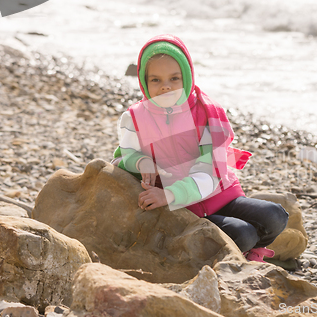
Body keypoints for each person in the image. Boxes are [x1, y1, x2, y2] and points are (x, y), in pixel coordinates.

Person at [112, 34, 288, 262]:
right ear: (144, 82)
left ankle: (251, 251)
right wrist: (141, 161)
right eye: (155, 80)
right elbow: (123, 156)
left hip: (218, 194)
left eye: (174, 78)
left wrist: (170, 193)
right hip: (183, 209)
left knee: (275, 216)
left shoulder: (207, 113)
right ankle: (240, 248)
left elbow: (209, 171)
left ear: (187, 76)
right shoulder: (135, 118)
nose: (166, 87)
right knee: (243, 233)